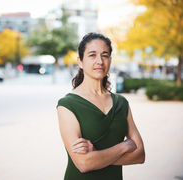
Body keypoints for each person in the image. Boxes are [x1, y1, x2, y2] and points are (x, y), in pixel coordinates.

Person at [57, 32, 145, 180]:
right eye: (92, 55)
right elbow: (83, 163)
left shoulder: (121, 103)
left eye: (104, 55)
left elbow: (140, 155)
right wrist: (123, 147)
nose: (100, 61)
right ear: (80, 61)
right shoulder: (67, 105)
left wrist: (96, 155)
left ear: (110, 60)